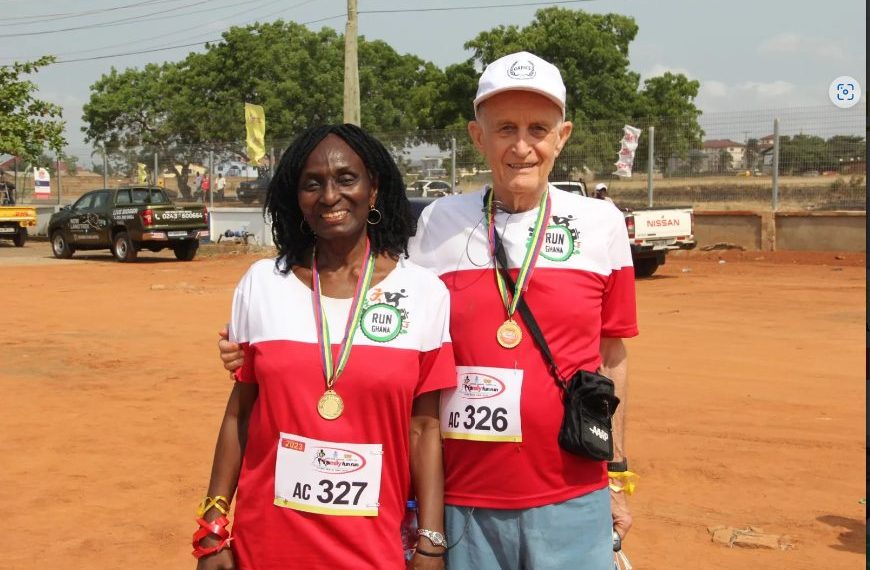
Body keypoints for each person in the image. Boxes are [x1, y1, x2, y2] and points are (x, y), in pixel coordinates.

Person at [220, 52, 638, 569]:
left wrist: (616, 472)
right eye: (505, 128)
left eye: (538, 128)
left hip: (572, 492)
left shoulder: (603, 225)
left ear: (563, 136)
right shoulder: (437, 223)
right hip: (461, 499)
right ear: (477, 136)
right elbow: (376, 316)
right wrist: (256, 344)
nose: (522, 146)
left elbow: (611, 353)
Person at [197, 124, 456, 570]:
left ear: (373, 189)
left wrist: (431, 541)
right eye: (312, 184)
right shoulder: (262, 284)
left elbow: (425, 429)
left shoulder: (424, 293)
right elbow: (240, 413)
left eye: (346, 179)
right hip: (268, 547)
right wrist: (213, 528)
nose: (329, 195)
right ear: (296, 199)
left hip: (373, 549)